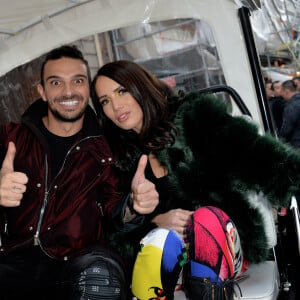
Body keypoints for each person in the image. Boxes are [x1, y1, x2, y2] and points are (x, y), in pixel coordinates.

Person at [91, 60, 300, 299]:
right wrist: (155, 220)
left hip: (225, 244)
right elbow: (115, 232)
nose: (116, 106)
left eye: (121, 91)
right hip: (174, 261)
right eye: (105, 101)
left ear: (140, 86)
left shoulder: (194, 118)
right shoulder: (118, 158)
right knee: (160, 241)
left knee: (205, 221)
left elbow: (260, 158)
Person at [0, 46, 159, 300]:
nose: (68, 91)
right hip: (14, 262)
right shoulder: (11, 138)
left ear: (87, 89)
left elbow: (114, 211)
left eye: (78, 81)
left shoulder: (106, 148)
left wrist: (134, 206)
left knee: (100, 278)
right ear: (41, 91)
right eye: (56, 82)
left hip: (80, 263)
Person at [279, 79, 300, 149]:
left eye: (282, 92)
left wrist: (279, 139)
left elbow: (287, 128)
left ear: (286, 91)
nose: (281, 95)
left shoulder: (291, 105)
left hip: (296, 143)